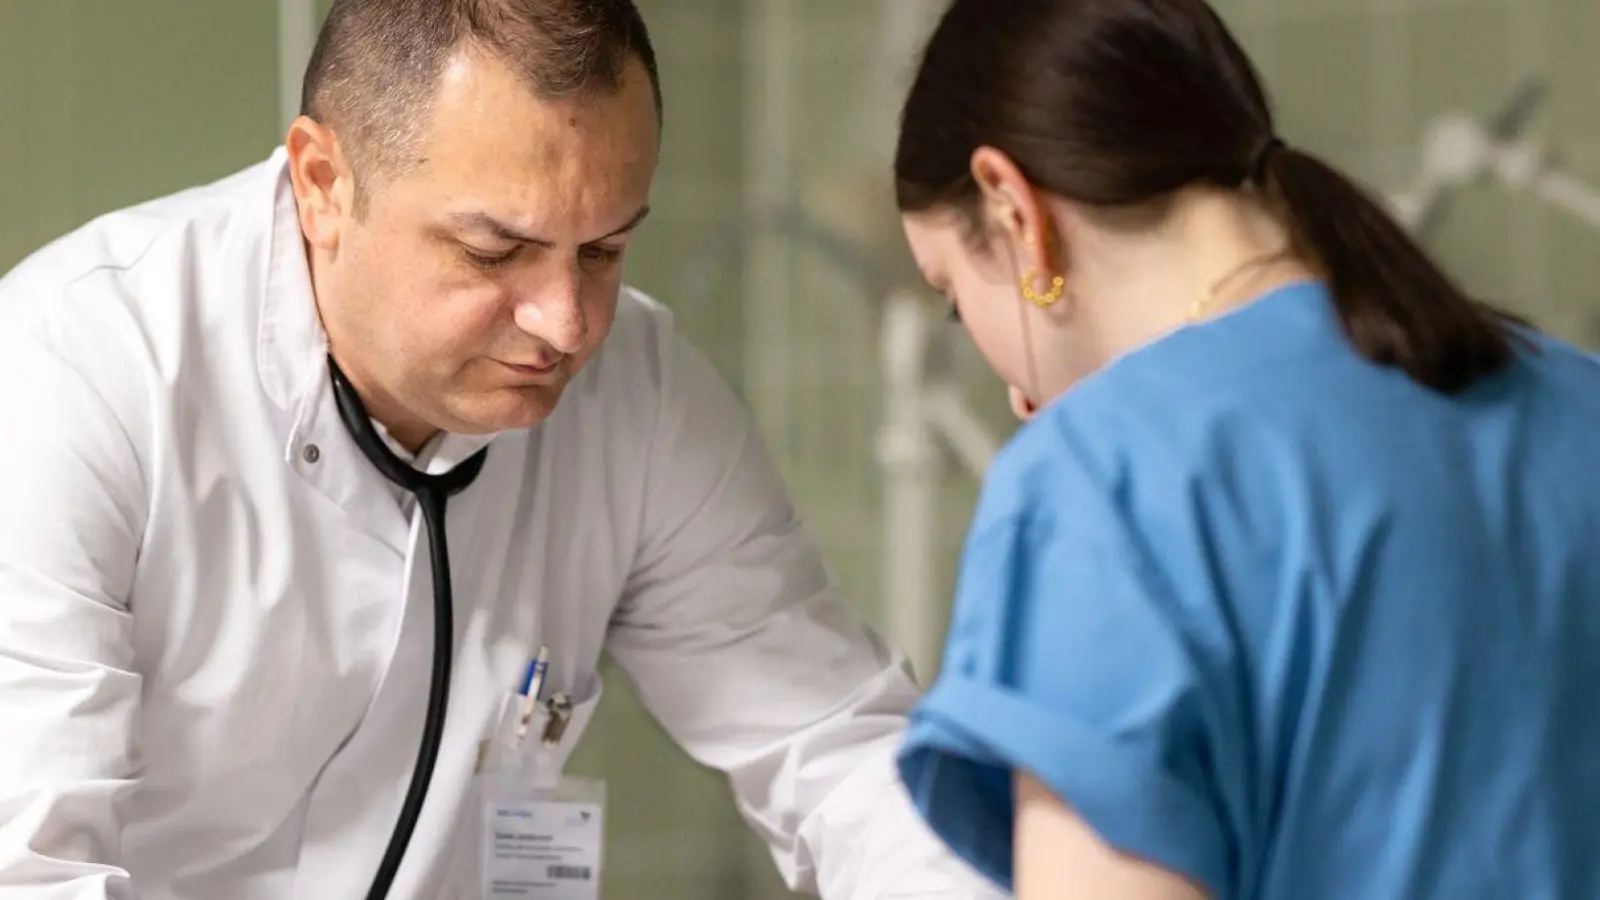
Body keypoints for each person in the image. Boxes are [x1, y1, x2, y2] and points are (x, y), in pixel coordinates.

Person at [0, 2, 1003, 899]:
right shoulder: (79, 371)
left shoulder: (638, 398)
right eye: (494, 253)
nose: (566, 324)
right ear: (320, 183)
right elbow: (34, 867)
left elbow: (832, 744)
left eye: (604, 250)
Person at [889, 0, 1600, 898]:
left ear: (1013, 206)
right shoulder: (1580, 401)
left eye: (957, 299)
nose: (1015, 396)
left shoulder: (1103, 478)